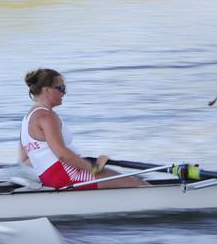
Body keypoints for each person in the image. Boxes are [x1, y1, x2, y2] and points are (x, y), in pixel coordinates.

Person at [18, 68, 147, 190]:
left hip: (53, 178)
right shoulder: (46, 116)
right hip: (68, 176)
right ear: (46, 90)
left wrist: (80, 162)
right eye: (61, 88)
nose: (64, 92)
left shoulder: (26, 119)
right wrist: (94, 168)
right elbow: (62, 154)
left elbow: (25, 160)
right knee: (139, 184)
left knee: (124, 181)